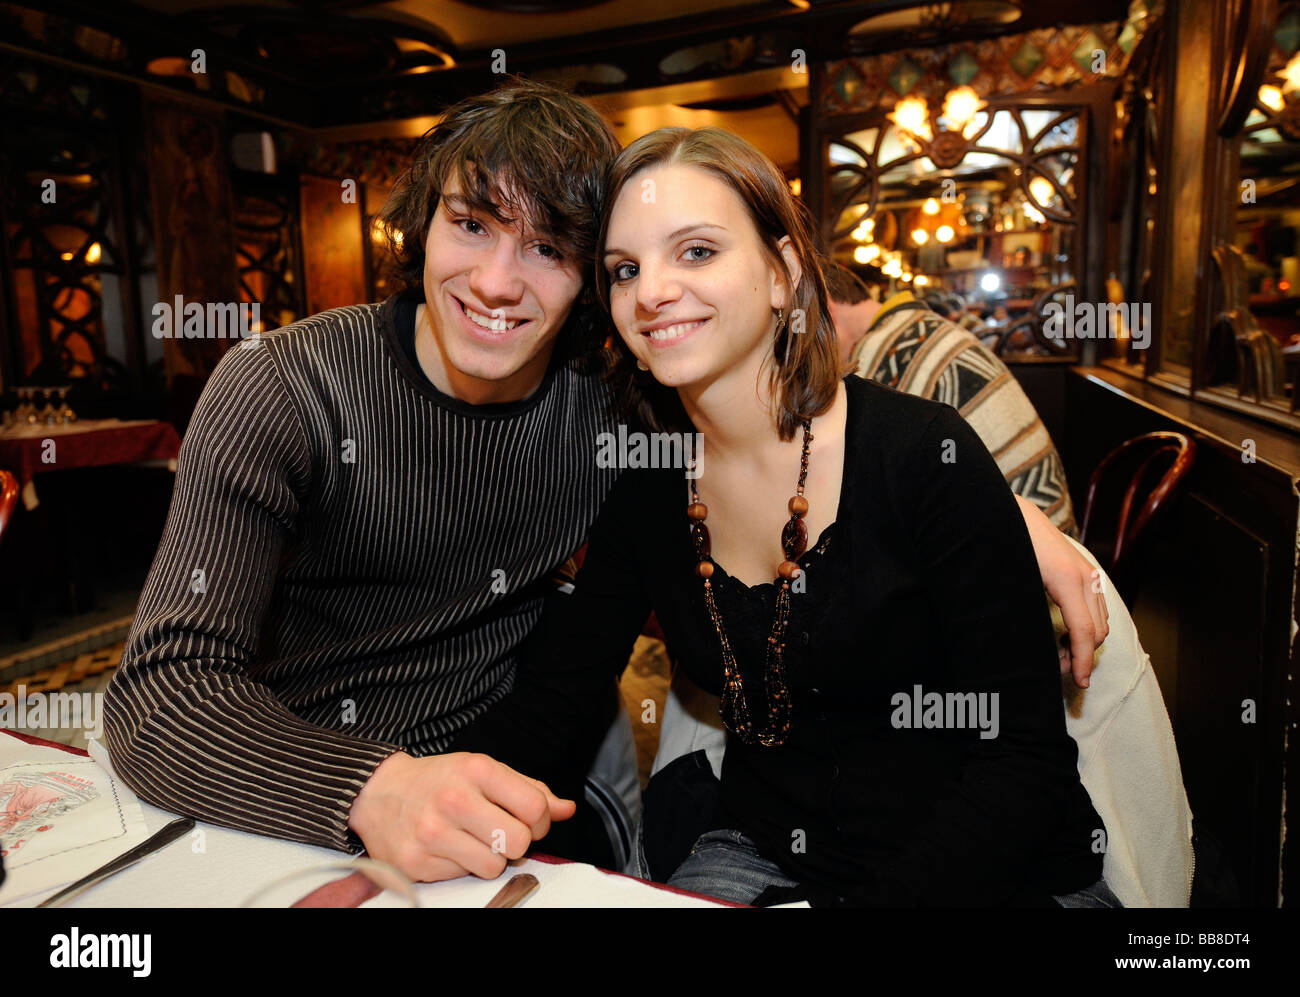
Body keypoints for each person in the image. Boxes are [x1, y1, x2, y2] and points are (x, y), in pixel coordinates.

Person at [103, 80, 1107, 887]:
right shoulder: (295, 388)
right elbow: (163, 691)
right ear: (419, 229)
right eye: (471, 226)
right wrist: (384, 802)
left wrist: (1000, 513)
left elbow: (1013, 760)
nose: (499, 281)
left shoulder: (624, 419)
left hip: (938, 863)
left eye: (552, 249)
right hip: (318, 786)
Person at [454, 126, 1116, 906]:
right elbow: (558, 693)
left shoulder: (921, 458)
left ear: (783, 273)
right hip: (766, 848)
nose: (652, 291)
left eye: (696, 251)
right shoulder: (650, 480)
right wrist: (405, 798)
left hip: (986, 867)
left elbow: (1024, 765)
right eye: (624, 269)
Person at [826, 263, 1079, 537]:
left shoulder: (881, 354)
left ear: (828, 310)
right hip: (1054, 530)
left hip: (1028, 551)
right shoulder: (916, 326)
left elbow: (862, 492)